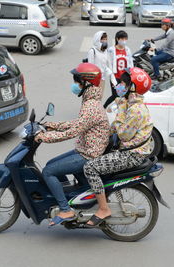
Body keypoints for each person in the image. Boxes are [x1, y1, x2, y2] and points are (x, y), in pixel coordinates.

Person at [34, 63, 110, 227]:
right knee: (50, 164)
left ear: (87, 83)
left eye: (78, 81)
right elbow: (77, 123)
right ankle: (67, 197)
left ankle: (65, 209)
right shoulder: (91, 101)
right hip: (85, 149)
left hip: (88, 155)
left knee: (48, 172)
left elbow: (72, 132)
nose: (75, 85)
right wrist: (53, 125)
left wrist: (44, 137)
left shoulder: (90, 106)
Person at [83, 67, 154, 227]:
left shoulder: (135, 110)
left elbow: (123, 134)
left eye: (123, 83)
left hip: (131, 155)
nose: (119, 85)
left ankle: (103, 209)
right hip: (127, 149)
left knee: (90, 168)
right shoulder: (129, 103)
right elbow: (115, 128)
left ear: (133, 88)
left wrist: (120, 107)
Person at [105, 31, 134, 109]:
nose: (124, 40)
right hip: (115, 77)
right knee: (115, 95)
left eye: (125, 38)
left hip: (125, 78)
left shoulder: (127, 49)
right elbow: (108, 63)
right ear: (117, 39)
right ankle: (103, 108)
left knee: (125, 95)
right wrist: (111, 76)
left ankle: (122, 110)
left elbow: (131, 63)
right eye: (122, 38)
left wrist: (131, 74)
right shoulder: (111, 50)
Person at [87, 31, 116, 97]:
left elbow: (105, 67)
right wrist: (92, 82)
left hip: (102, 79)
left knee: (100, 98)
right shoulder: (92, 51)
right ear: (97, 39)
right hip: (94, 80)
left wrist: (113, 80)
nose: (104, 41)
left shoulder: (105, 51)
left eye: (106, 39)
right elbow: (90, 68)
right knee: (93, 98)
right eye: (102, 39)